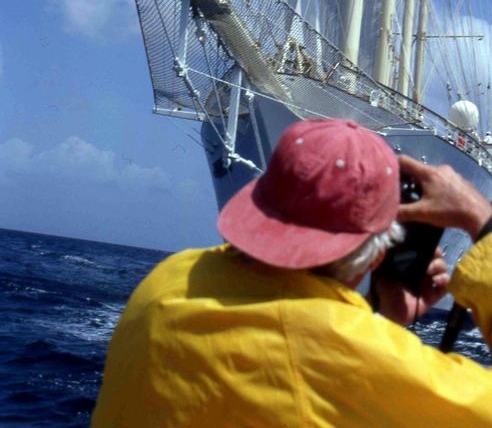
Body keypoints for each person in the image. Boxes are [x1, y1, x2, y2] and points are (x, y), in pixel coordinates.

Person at [91, 119, 492, 427]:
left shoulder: (168, 279)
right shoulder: (342, 352)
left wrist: (384, 322)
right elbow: (314, 355)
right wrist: (482, 221)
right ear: (376, 252)